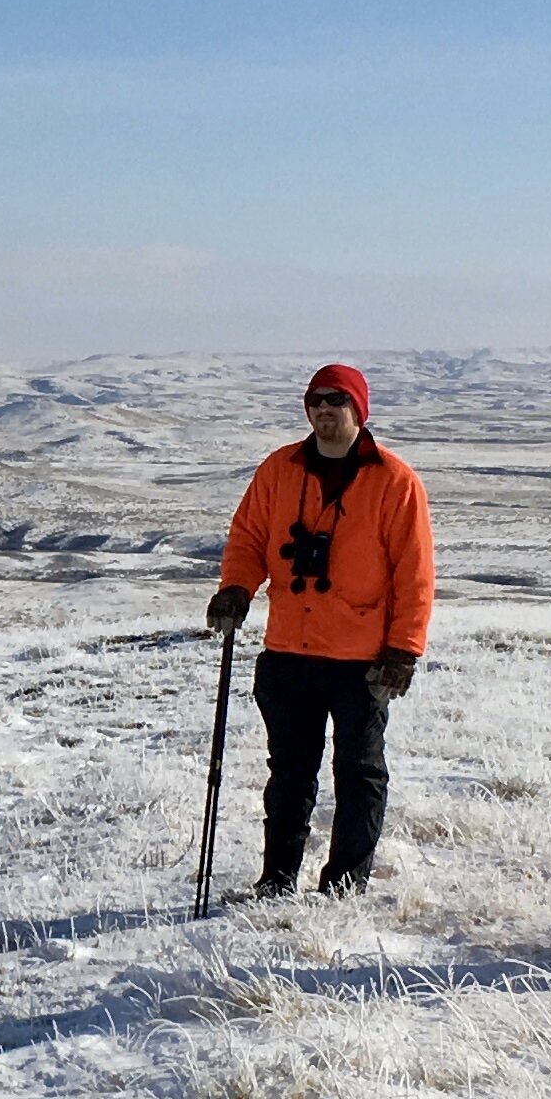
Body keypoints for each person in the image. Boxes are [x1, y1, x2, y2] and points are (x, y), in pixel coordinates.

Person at [206, 364, 436, 897]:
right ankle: (277, 880)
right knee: (289, 773)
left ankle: (344, 885)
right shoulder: (279, 470)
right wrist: (236, 588)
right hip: (289, 650)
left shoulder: (395, 481)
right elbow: (248, 538)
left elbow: (414, 573)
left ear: (359, 409)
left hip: (362, 659)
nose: (324, 409)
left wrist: (403, 650)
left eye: (337, 400)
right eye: (315, 400)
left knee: (358, 774)